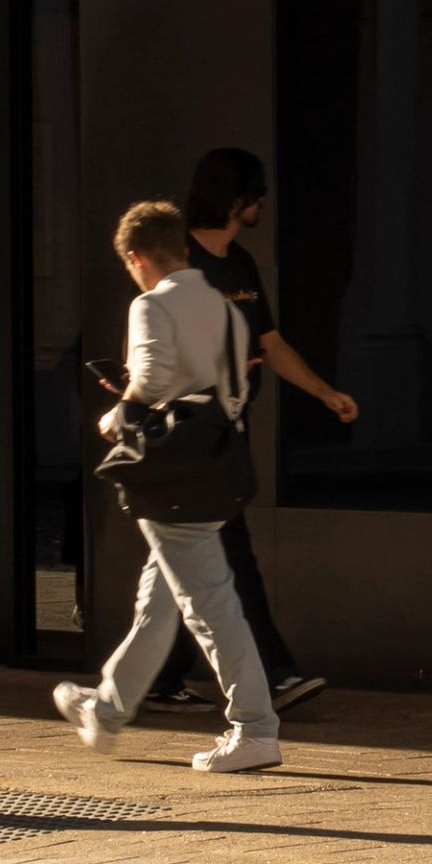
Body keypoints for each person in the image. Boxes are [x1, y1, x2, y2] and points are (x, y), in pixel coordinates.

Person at [52, 198, 279, 771]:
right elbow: (235, 391)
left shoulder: (151, 305)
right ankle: (107, 710)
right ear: (181, 248)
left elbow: (151, 378)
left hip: (171, 476)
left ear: (136, 258)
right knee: (159, 604)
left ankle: (254, 727)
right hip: (212, 469)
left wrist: (118, 416)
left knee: (209, 606)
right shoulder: (224, 308)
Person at [141, 145, 356, 720]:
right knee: (230, 555)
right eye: (257, 194)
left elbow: (270, 342)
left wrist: (322, 391)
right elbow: (156, 348)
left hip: (228, 431)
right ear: (238, 199)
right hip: (190, 434)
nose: (263, 204)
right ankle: (274, 676)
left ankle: (147, 683)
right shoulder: (179, 260)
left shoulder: (240, 263)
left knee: (181, 568)